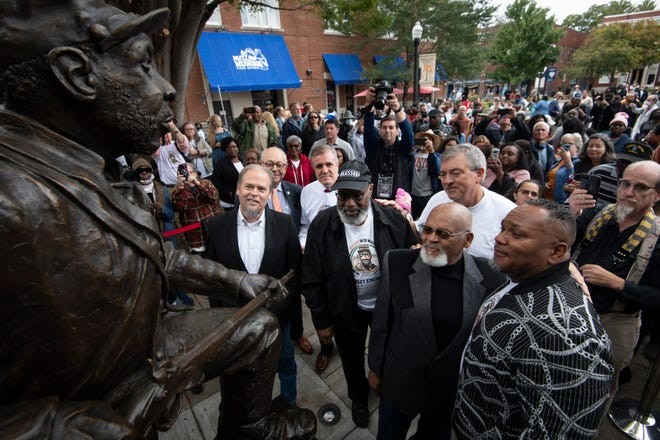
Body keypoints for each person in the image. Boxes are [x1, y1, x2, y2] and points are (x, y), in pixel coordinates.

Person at [0, 2, 316, 438]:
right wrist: (56, 426)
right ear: (76, 75)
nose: (168, 88)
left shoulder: (92, 167)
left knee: (259, 328)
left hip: (140, 350)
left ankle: (248, 429)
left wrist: (234, 283)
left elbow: (159, 256)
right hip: (93, 398)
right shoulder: (11, 189)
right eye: (144, 65)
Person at [453, 200, 613, 439]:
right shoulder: (521, 275)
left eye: (516, 234)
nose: (500, 238)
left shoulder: (566, 335)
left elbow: (564, 430)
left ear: (557, 251)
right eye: (502, 228)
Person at [368, 203, 506, 440]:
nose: (430, 239)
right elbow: (382, 322)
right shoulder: (398, 263)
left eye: (443, 234)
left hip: (448, 391)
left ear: (467, 240)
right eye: (427, 230)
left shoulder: (490, 277)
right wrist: (375, 369)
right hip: (401, 382)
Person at [301, 160, 418, 429]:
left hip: (385, 308)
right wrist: (321, 321)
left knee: (388, 352)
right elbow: (311, 278)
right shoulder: (322, 224)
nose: (350, 204)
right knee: (351, 358)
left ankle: (383, 382)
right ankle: (359, 398)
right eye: (343, 196)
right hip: (345, 311)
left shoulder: (393, 219)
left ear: (371, 189)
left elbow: (411, 264)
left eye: (357, 195)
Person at [568, 160, 660, 424]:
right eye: (625, 183)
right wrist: (571, 213)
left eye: (640, 187)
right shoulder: (598, 215)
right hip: (572, 310)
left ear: (657, 195)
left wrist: (618, 284)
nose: (628, 192)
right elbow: (558, 242)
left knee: (598, 389)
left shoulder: (656, 237)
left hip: (615, 322)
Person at [205, 165, 302, 409]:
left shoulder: (285, 224)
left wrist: (284, 314)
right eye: (249, 186)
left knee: (286, 362)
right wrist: (219, 317)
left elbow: (294, 274)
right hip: (233, 322)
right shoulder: (216, 227)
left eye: (261, 188)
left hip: (276, 320)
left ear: (269, 194)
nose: (254, 193)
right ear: (237, 190)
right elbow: (212, 279)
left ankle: (289, 399)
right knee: (239, 371)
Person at [417, 144, 516, 259]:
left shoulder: (507, 212)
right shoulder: (437, 199)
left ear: (479, 174)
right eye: (443, 175)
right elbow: (421, 234)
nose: (447, 181)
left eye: (456, 173)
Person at [260, 147, 313, 355]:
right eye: (269, 164)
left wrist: (302, 241)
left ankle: (297, 334)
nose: (275, 168)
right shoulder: (253, 193)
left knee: (293, 299)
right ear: (260, 165)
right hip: (266, 261)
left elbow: (304, 223)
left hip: (293, 259)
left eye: (280, 164)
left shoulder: (296, 191)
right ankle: (271, 336)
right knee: (269, 300)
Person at [298, 145, 340, 370]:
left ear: (337, 163)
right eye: (319, 166)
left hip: (344, 262)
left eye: (329, 164)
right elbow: (304, 225)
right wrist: (303, 243)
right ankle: (326, 346)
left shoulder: (350, 189)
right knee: (319, 308)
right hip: (318, 263)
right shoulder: (307, 192)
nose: (324, 170)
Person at [364, 88, 414, 198]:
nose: (387, 130)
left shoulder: (403, 149)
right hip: (376, 201)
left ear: (397, 131)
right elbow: (367, 128)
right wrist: (369, 104)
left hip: (398, 202)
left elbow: (409, 135)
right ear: (379, 130)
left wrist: (397, 109)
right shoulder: (373, 147)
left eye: (391, 127)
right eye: (384, 127)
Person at [409, 131, 441, 219]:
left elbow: (436, 171)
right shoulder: (414, 154)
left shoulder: (435, 156)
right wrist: (411, 150)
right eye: (423, 139)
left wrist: (431, 152)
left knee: (425, 219)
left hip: (427, 194)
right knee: (412, 218)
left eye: (428, 140)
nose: (425, 142)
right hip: (413, 193)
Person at [209, 136, 243, 211]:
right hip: (229, 201)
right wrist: (227, 192)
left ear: (238, 148)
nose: (232, 149)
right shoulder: (221, 164)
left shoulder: (242, 160)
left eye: (234, 146)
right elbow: (215, 181)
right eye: (229, 147)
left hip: (243, 198)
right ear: (225, 149)